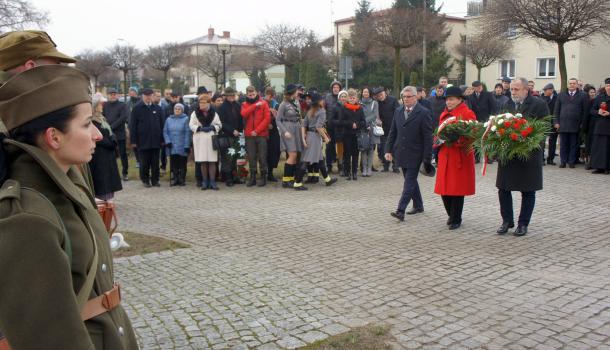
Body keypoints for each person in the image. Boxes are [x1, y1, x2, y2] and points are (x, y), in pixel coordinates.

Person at [0, 65, 137, 349]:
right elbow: (45, 336)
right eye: (87, 124)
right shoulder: (28, 216)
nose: (98, 134)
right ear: (54, 137)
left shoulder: (66, 185)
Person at [496, 77, 550, 236]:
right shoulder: (507, 104)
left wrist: (527, 142)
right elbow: (499, 125)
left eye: (516, 89)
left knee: (528, 190)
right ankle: (507, 221)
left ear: (526, 90)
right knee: (503, 188)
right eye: (511, 89)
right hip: (508, 154)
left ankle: (523, 223)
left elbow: (544, 128)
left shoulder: (539, 104)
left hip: (529, 155)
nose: (512, 92)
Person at [386, 86, 433, 221]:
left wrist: (427, 158)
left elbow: (427, 137)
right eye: (404, 97)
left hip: (416, 153)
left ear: (415, 97)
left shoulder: (423, 113)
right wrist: (388, 150)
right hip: (401, 152)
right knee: (410, 180)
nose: (406, 99)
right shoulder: (398, 111)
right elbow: (392, 132)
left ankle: (400, 210)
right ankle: (418, 205)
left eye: (409, 96)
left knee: (409, 181)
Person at [434, 87, 477, 230]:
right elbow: (438, 132)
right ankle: (451, 215)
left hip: (459, 156)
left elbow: (472, 135)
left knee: (457, 189)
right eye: (447, 99)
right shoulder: (444, 114)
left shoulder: (467, 113)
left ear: (460, 99)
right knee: (444, 189)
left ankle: (456, 218)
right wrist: (436, 143)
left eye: (451, 99)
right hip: (445, 154)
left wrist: (457, 139)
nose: (448, 102)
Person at [293, 93, 338, 190]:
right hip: (315, 138)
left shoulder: (310, 111)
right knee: (306, 160)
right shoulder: (322, 111)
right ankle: (297, 183)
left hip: (309, 136)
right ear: (319, 102)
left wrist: (304, 139)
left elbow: (303, 125)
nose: (323, 100)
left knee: (320, 158)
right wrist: (325, 137)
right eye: (322, 99)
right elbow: (318, 127)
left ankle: (327, 179)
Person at [89, 92, 122, 200]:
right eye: (100, 104)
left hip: (107, 155)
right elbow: (100, 138)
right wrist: (111, 140)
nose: (102, 106)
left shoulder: (102, 119)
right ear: (94, 106)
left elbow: (110, 134)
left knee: (109, 178)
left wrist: (112, 138)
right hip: (99, 156)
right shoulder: (92, 121)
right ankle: (102, 200)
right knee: (102, 179)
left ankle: (108, 199)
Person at [130, 88, 164, 188]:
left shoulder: (157, 108)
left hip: (155, 140)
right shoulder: (137, 108)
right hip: (142, 140)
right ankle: (145, 180)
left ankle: (155, 180)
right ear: (142, 96)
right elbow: (133, 125)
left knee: (155, 162)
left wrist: (162, 139)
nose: (148, 97)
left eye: (150, 95)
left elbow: (161, 124)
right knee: (144, 162)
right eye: (146, 95)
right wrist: (134, 140)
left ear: (152, 96)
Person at [190, 94, 222, 190]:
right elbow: (191, 125)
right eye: (200, 102)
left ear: (208, 103)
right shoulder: (195, 114)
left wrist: (212, 127)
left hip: (211, 139)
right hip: (200, 139)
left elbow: (219, 125)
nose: (201, 104)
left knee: (212, 161)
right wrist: (200, 128)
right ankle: (205, 181)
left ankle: (212, 181)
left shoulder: (214, 113)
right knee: (203, 161)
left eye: (204, 102)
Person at [554, 78, 588, 168]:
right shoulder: (561, 95)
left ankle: (571, 162)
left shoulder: (583, 96)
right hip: (563, 124)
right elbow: (556, 110)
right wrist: (556, 122)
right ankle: (563, 161)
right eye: (570, 83)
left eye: (574, 83)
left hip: (575, 124)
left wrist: (582, 124)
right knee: (563, 145)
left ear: (577, 85)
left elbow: (585, 111)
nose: (572, 85)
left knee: (574, 145)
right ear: (568, 85)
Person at [241, 86, 271, 187]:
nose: (252, 96)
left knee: (262, 157)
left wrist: (257, 131)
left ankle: (263, 177)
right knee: (251, 157)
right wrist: (254, 106)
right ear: (247, 95)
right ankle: (252, 177)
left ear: (256, 93)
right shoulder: (244, 104)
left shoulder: (264, 103)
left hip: (261, 134)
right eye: (250, 95)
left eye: (253, 94)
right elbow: (244, 114)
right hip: (249, 135)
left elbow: (267, 119)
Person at [276, 84, 304, 188]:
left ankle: (290, 178)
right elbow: (278, 120)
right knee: (292, 155)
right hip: (288, 130)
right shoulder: (283, 104)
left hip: (297, 129)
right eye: (297, 91)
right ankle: (285, 180)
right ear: (292, 92)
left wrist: (302, 129)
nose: (298, 92)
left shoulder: (297, 102)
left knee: (295, 155)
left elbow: (300, 117)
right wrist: (284, 131)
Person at [337, 89, 366, 181]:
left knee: (356, 154)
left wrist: (357, 124)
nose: (352, 99)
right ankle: (348, 172)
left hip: (356, 134)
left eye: (354, 98)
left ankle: (354, 173)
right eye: (350, 98)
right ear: (348, 99)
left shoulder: (360, 108)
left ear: (356, 98)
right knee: (347, 154)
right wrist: (350, 124)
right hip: (347, 134)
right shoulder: (344, 108)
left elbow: (363, 121)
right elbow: (341, 121)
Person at [217, 87, 243, 186]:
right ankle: (228, 178)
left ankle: (235, 177)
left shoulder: (237, 105)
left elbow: (241, 119)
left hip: (237, 135)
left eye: (233, 95)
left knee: (235, 157)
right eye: (230, 95)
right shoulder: (222, 107)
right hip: (227, 135)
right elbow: (221, 123)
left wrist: (240, 130)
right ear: (226, 96)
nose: (232, 97)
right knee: (228, 158)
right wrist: (232, 130)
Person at [103, 88, 130, 180]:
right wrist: (107, 128)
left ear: (118, 95)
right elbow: (102, 117)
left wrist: (111, 127)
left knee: (123, 154)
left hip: (120, 133)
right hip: (108, 134)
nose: (113, 96)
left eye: (114, 94)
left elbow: (123, 117)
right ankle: (111, 173)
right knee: (110, 154)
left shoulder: (122, 105)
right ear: (107, 95)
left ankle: (125, 173)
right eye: (111, 94)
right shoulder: (105, 105)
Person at [468, 80, 497, 163]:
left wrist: (492, 117)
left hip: (486, 120)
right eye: (477, 87)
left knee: (487, 138)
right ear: (474, 88)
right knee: (476, 139)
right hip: (476, 120)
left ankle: (489, 157)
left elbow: (493, 106)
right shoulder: (471, 96)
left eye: (480, 86)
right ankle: (477, 157)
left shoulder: (488, 94)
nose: (480, 88)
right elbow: (470, 108)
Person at [373, 86, 400, 172]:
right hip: (382, 129)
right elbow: (375, 114)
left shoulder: (393, 100)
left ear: (385, 92)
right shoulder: (377, 103)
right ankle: (386, 166)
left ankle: (395, 166)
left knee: (395, 147)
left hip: (394, 127)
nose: (380, 96)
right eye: (378, 96)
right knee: (385, 147)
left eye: (381, 94)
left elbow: (398, 112)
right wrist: (377, 119)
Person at [163, 103, 191, 186]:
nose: (177, 110)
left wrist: (187, 145)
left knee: (182, 163)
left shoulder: (186, 119)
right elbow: (165, 131)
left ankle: (182, 179)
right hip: (172, 145)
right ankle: (175, 178)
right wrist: (167, 141)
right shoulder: (168, 119)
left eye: (179, 109)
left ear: (182, 110)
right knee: (174, 163)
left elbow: (187, 133)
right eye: (176, 109)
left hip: (182, 144)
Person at [589, 78, 610, 174]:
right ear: (605, 87)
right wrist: (598, 111)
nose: (609, 88)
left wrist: (609, 113)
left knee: (608, 149)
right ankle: (598, 167)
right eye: (607, 86)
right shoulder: (600, 98)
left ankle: (607, 168)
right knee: (598, 149)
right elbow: (592, 110)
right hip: (600, 127)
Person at [360, 87, 381, 177]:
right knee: (363, 149)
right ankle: (364, 168)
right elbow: (359, 115)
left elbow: (375, 115)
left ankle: (369, 168)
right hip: (362, 128)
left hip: (372, 128)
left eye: (367, 92)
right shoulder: (359, 103)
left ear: (370, 93)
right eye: (364, 92)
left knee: (371, 149)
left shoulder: (374, 103)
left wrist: (367, 123)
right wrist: (364, 124)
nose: (365, 93)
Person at [324, 81, 342, 172]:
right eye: (334, 87)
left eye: (337, 87)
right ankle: (329, 166)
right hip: (329, 126)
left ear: (340, 89)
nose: (336, 89)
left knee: (340, 146)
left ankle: (340, 165)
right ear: (332, 88)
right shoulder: (327, 97)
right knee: (329, 146)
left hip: (339, 127)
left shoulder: (342, 97)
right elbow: (323, 109)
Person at [264, 87, 281, 182]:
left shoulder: (276, 104)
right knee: (265, 152)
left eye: (270, 96)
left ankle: (270, 173)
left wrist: (275, 114)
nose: (269, 98)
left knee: (274, 151)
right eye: (268, 95)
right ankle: (265, 173)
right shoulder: (261, 103)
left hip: (274, 130)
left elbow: (278, 116)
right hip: (264, 130)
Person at [541, 83, 559, 165]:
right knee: (542, 142)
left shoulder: (557, 98)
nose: (545, 92)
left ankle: (550, 159)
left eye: (547, 90)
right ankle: (541, 159)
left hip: (553, 123)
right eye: (545, 90)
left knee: (553, 142)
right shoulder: (541, 98)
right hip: (543, 123)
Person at [582, 84, 599, 169]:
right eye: (591, 92)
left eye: (594, 92)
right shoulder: (587, 102)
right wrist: (584, 127)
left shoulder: (597, 100)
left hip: (596, 125)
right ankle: (588, 161)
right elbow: (585, 116)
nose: (592, 94)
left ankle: (593, 161)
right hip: (589, 126)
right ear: (587, 93)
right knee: (588, 144)